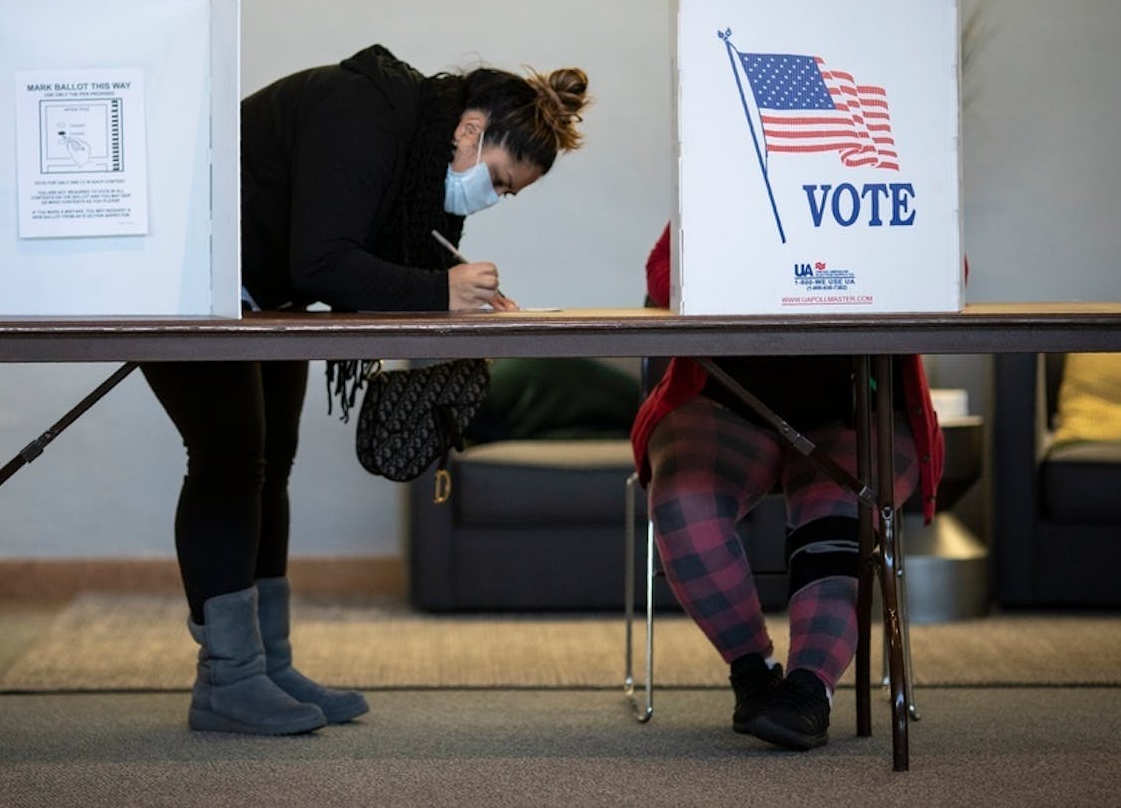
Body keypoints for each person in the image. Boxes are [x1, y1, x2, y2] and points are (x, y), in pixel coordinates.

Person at [142, 45, 590, 735]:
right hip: (188, 278)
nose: (493, 200)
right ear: (469, 129)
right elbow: (322, 260)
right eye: (500, 182)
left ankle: (267, 664)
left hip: (262, 296)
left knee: (267, 468)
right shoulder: (365, 112)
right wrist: (439, 291)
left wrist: (449, 289)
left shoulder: (412, 147)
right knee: (229, 462)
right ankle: (228, 681)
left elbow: (342, 254)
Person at [630, 224, 945, 751]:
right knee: (684, 497)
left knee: (840, 508)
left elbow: (941, 274)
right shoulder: (725, 174)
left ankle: (809, 689)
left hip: (861, 406)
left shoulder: (886, 178)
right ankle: (753, 671)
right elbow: (663, 276)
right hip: (732, 400)